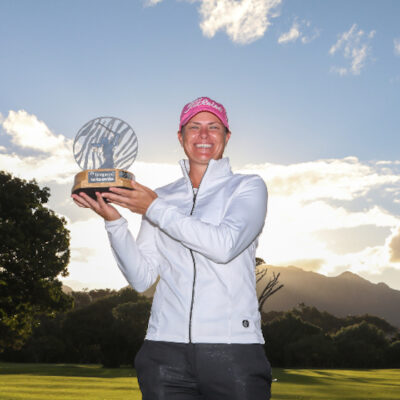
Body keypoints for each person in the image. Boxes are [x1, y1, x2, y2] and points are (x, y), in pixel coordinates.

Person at [72, 96, 272, 400]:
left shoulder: (247, 187)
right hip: (163, 351)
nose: (203, 135)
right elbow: (141, 277)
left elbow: (225, 246)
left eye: (213, 127)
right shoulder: (159, 197)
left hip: (233, 349)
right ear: (181, 137)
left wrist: (154, 208)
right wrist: (114, 221)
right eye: (194, 127)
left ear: (227, 137)